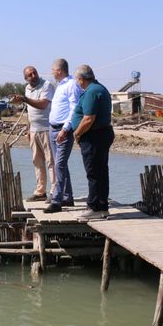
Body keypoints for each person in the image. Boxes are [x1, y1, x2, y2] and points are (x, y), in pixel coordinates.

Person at [70, 64, 114, 222]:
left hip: (94, 136)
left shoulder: (92, 91)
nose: (77, 82)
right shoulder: (97, 88)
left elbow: (88, 118)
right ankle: (102, 207)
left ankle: (94, 207)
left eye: (77, 80)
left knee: (94, 172)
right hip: (100, 134)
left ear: (81, 79)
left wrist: (77, 133)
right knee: (101, 171)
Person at [11, 66, 55, 202]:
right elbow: (29, 110)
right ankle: (41, 192)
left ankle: (55, 191)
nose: (33, 76)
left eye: (34, 73)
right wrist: (28, 128)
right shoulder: (27, 88)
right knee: (37, 161)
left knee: (51, 161)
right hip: (34, 130)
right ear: (26, 78)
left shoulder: (47, 85)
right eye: (30, 75)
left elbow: (43, 104)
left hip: (47, 128)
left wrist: (24, 99)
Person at [44, 58, 83, 213]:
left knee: (59, 164)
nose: (52, 72)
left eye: (53, 70)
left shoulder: (72, 85)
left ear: (59, 71)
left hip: (63, 130)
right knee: (60, 164)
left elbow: (74, 109)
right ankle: (68, 197)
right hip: (53, 128)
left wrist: (65, 129)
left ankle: (56, 201)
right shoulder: (60, 85)